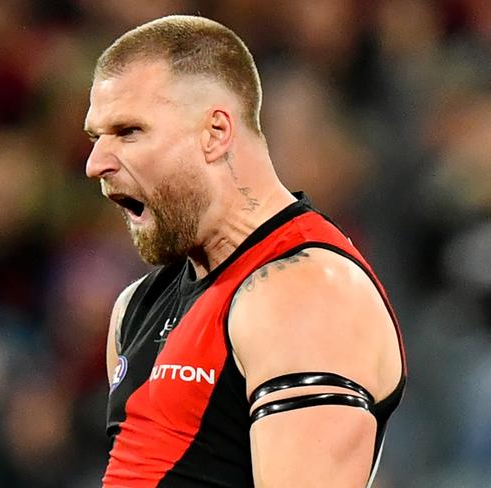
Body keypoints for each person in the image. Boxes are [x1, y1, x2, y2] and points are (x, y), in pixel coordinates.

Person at [83, 15, 406, 488]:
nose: (96, 164)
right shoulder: (136, 308)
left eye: (129, 131)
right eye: (97, 137)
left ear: (215, 132)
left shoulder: (306, 292)